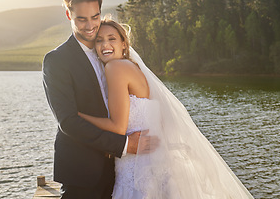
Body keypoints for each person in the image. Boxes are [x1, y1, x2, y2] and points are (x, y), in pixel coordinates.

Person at [78, 18, 255, 199]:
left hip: (136, 169)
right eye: (99, 40)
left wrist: (79, 115)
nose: (105, 44)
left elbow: (117, 128)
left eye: (111, 38)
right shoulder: (132, 67)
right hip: (149, 163)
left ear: (124, 44)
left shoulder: (115, 67)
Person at [42, 0, 157, 199]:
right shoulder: (56, 61)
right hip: (82, 171)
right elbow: (68, 122)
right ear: (68, 15)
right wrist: (124, 145)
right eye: (81, 19)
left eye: (95, 17)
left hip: (119, 169)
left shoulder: (107, 51)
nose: (90, 26)